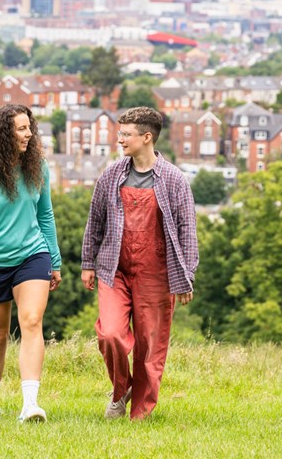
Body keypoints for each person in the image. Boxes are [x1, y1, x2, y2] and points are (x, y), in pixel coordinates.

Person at [81, 106, 198, 420]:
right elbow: (96, 220)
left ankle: (140, 413)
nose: (120, 140)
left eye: (126, 134)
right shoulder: (112, 174)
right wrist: (88, 263)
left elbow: (187, 230)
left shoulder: (174, 180)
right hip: (114, 269)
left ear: (147, 137)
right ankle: (121, 391)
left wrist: (186, 276)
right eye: (120, 133)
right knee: (110, 334)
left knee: (149, 346)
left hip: (156, 273)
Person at [0, 104, 62, 423]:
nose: (29, 133)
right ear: (4, 134)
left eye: (29, 127)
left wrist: (55, 260)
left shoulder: (38, 168)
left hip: (32, 256)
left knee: (32, 321)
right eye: (21, 128)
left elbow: (45, 215)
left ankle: (30, 405)